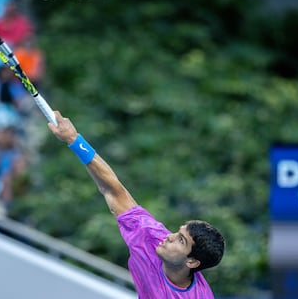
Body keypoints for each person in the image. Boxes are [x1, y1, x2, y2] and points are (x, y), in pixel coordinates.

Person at [48, 111, 225, 299]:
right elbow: (113, 189)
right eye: (178, 232)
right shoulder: (150, 237)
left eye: (181, 241)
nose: (170, 237)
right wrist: (74, 140)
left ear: (192, 262)